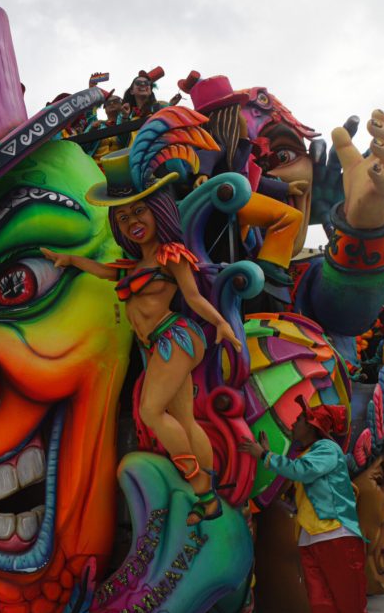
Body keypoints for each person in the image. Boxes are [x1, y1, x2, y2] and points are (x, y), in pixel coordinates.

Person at [42, 186, 240, 525]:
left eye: (138, 211)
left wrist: (221, 323)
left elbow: (192, 298)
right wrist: (72, 260)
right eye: (123, 216)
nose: (132, 220)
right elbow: (105, 272)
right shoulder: (135, 266)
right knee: (185, 419)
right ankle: (208, 498)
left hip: (173, 338)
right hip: (158, 346)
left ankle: (200, 485)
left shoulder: (171, 256)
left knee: (150, 411)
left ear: (157, 212)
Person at [239, 397, 381, 613]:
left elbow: (302, 471)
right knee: (322, 612)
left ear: (313, 426)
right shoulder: (307, 454)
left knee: (352, 612)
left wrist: (264, 455)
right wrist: (269, 456)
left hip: (336, 536)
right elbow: (294, 473)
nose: (294, 423)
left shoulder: (327, 449)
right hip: (310, 540)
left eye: (299, 419)